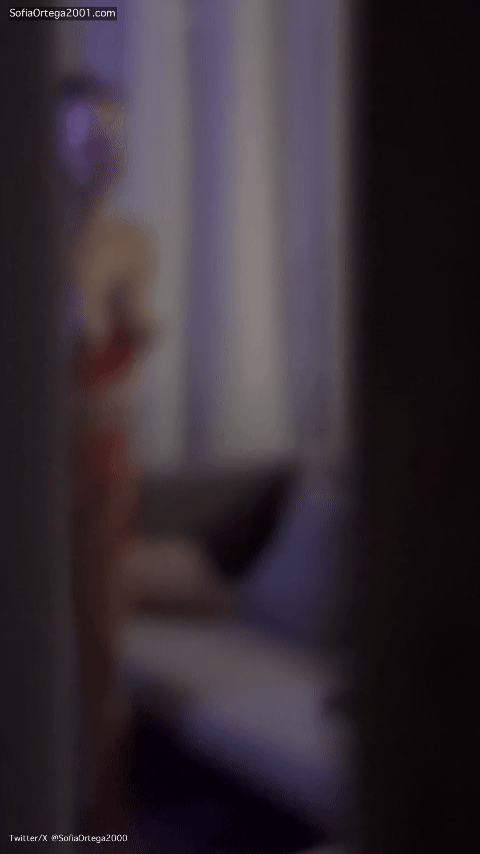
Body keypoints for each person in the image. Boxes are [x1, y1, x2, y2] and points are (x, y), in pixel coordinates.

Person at [57, 72, 230, 836]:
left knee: (100, 658)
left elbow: (117, 370)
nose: (110, 154)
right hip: (38, 476)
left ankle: (105, 826)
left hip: (103, 475)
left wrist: (120, 329)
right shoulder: (32, 241)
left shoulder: (131, 240)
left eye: (117, 138)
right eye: (92, 138)